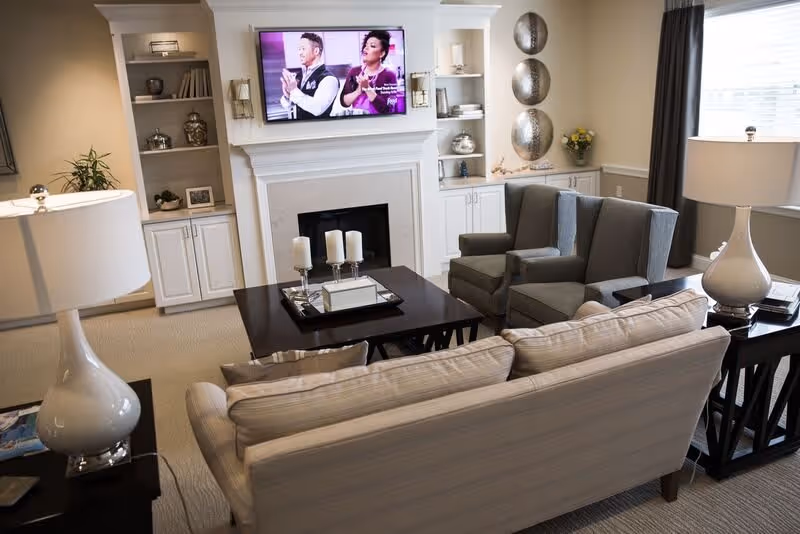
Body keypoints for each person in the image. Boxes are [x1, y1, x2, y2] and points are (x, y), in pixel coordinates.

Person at [280, 32, 339, 120]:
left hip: (320, 131)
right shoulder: (299, 77)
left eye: (303, 49)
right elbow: (287, 106)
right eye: (299, 49)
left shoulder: (329, 79)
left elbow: (317, 109)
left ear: (316, 51)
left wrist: (294, 90)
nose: (299, 53)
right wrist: (287, 96)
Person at [340, 30, 400, 115]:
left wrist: (367, 88)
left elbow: (388, 109)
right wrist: (358, 91)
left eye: (372, 46)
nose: (365, 48)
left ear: (382, 53)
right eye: (365, 45)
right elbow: (344, 102)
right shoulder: (354, 72)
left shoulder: (389, 75)